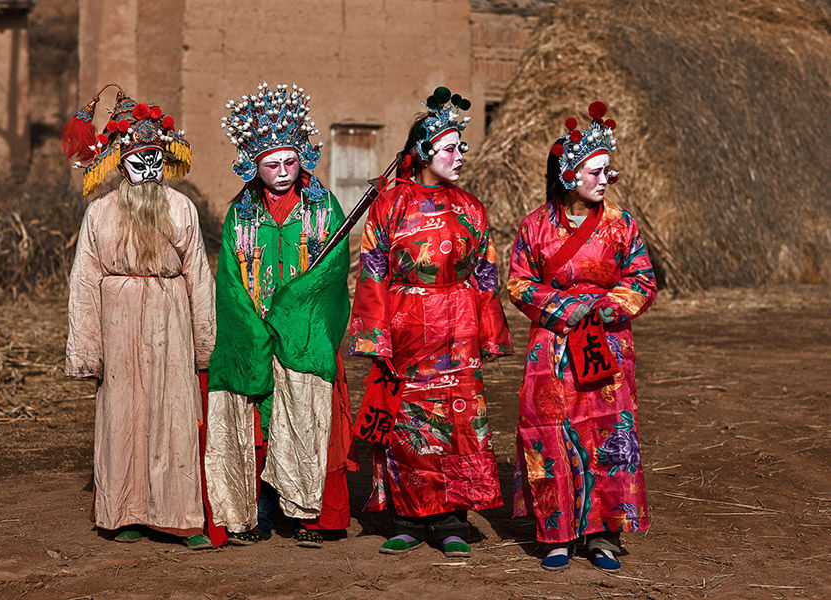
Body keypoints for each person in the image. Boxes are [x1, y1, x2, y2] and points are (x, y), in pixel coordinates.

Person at [349, 86, 512, 558]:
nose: (459, 156)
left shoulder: (471, 208)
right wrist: (375, 338)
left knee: (459, 424)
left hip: (459, 327)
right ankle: (407, 518)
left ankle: (451, 520)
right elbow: (373, 273)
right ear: (422, 151)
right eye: (449, 148)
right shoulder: (389, 205)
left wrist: (489, 331)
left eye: (462, 147)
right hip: (405, 327)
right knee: (408, 423)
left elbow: (485, 273)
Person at [63, 85, 215, 549]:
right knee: (121, 415)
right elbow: (84, 282)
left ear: (164, 161)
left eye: (154, 158)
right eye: (137, 159)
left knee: (174, 412)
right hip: (118, 322)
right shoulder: (100, 213)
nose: (147, 168)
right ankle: (123, 512)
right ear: (119, 163)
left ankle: (179, 515)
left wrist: (205, 345)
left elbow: (201, 280)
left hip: (172, 321)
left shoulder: (181, 208)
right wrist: (86, 350)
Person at [204, 82, 356, 548]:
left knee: (310, 423)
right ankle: (258, 513)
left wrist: (291, 311)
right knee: (259, 429)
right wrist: (251, 326)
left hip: (304, 332)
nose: (284, 172)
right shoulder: (240, 213)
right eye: (272, 164)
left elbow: (332, 271)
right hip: (254, 333)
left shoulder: (323, 206)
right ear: (254, 165)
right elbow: (229, 275)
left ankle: (311, 517)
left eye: (291, 162)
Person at [507, 101, 657, 571]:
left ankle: (602, 535)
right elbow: (518, 281)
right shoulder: (535, 226)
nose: (604, 179)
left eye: (606, 171)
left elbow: (642, 280)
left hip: (606, 343)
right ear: (569, 174)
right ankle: (556, 533)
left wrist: (606, 307)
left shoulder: (622, 224)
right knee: (550, 431)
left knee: (606, 432)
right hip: (552, 345)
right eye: (594, 171)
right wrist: (563, 307)